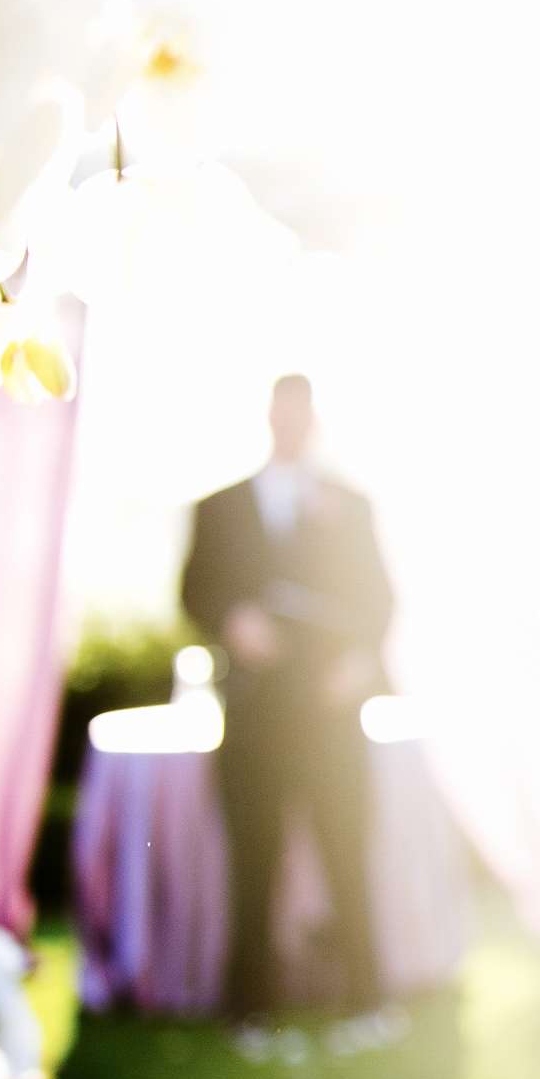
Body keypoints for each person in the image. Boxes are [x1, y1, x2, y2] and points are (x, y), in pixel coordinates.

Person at [180, 373, 395, 1017]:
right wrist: (233, 623)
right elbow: (194, 593)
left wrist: (357, 663)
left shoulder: (349, 504)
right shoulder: (220, 506)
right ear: (269, 417)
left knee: (345, 851)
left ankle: (363, 995)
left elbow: (379, 601)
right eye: (282, 414)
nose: (291, 425)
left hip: (330, 715)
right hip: (254, 714)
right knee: (253, 859)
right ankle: (247, 999)